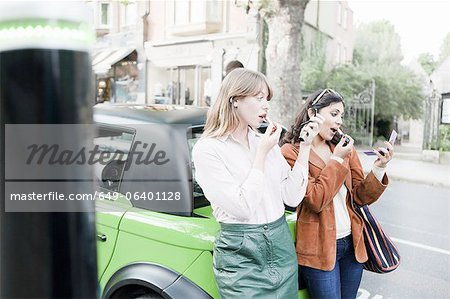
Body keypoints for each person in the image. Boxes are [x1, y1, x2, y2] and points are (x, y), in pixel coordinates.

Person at [192, 68, 323, 298]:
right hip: (241, 253)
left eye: (267, 99)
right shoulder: (209, 149)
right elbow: (242, 208)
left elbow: (291, 197)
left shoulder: (263, 141)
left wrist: (305, 147)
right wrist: (261, 154)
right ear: (235, 100)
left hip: (280, 245)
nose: (266, 105)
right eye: (259, 97)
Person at [280, 88, 394, 299]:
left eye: (341, 115)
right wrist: (337, 160)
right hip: (319, 248)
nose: (340, 121)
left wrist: (379, 168)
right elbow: (314, 200)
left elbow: (360, 196)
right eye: (334, 114)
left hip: (352, 243)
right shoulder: (292, 151)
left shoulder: (342, 146)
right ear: (313, 114)